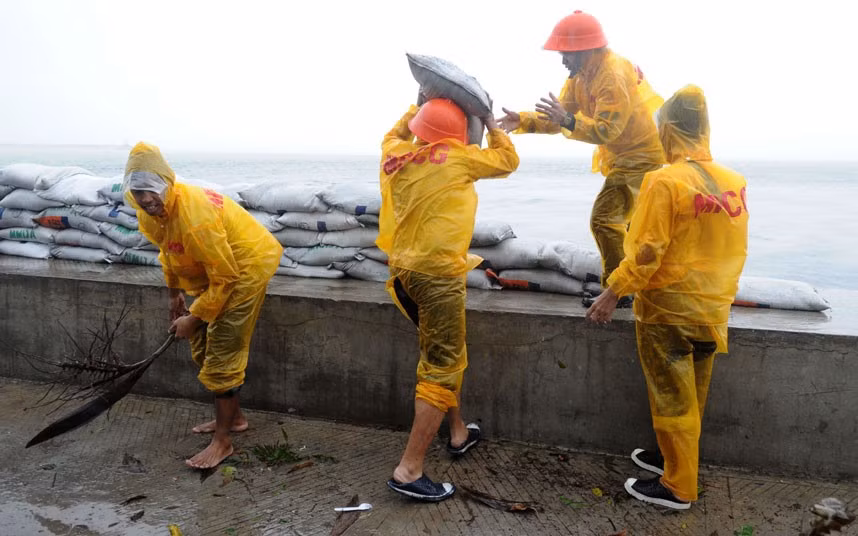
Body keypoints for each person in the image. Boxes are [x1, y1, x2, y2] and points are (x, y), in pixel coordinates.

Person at [584, 86, 749, 509]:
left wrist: (611, 292)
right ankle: (673, 460)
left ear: (669, 130)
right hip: (711, 311)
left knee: (672, 399)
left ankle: (679, 487)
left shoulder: (664, 180)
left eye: (660, 127)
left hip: (667, 311)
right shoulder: (734, 183)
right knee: (693, 394)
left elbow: (645, 252)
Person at [378, 97, 519, 501]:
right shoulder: (458, 158)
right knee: (441, 366)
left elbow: (392, 134)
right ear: (459, 134)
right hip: (438, 277)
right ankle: (409, 470)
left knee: (442, 353)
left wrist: (414, 106)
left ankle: (458, 432)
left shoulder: (396, 155)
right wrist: (491, 122)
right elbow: (507, 161)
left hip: (403, 273)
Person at [123, 142, 283, 469]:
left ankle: (223, 442)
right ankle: (234, 418)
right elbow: (168, 251)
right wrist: (174, 294)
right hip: (217, 267)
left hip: (246, 266)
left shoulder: (195, 217)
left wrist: (194, 317)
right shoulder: (149, 216)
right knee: (201, 345)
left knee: (223, 349)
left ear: (167, 182)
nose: (147, 199)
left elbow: (226, 277)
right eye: (138, 192)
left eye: (152, 190)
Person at [497, 10, 664, 305]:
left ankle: (620, 293)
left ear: (584, 49)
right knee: (627, 226)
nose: (562, 60)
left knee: (604, 220)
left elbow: (607, 130)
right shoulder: (581, 77)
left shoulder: (612, 74)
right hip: (624, 156)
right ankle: (633, 286)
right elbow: (559, 116)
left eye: (566, 53)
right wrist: (522, 121)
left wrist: (569, 120)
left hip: (642, 156)